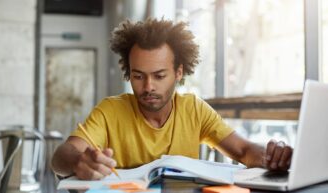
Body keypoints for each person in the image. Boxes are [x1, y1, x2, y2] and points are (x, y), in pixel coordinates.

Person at [51, 18, 293, 180]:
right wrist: (78, 161)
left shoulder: (194, 109)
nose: (148, 87)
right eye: (138, 76)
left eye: (159, 76)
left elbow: (243, 150)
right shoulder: (110, 111)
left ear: (179, 72)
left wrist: (272, 157)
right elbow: (61, 156)